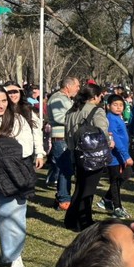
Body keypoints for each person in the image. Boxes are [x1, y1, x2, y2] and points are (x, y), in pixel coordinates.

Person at [0, 82, 41, 267]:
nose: (1, 105)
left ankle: (13, 255)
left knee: (13, 219)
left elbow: (26, 146)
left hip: (13, 177)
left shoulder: (17, 119)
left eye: (4, 100)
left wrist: (3, 152)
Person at [64, 83, 112, 232]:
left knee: (79, 186)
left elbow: (67, 133)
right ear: (95, 97)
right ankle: (84, 221)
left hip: (76, 152)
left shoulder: (72, 111)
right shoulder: (96, 111)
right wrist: (109, 142)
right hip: (92, 154)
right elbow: (102, 133)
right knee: (89, 189)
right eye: (99, 96)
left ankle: (71, 219)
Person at [47, 76, 80, 209]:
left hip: (66, 138)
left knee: (64, 169)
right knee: (65, 169)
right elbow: (59, 117)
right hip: (61, 139)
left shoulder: (65, 99)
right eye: (77, 86)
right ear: (68, 86)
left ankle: (62, 198)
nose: (78, 89)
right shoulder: (57, 99)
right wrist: (77, 118)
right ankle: (64, 200)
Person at [99, 94, 133, 219]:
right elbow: (116, 139)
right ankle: (117, 207)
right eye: (115, 105)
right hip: (115, 155)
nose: (119, 107)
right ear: (108, 106)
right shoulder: (111, 119)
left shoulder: (118, 117)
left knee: (126, 174)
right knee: (115, 181)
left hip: (121, 154)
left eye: (121, 105)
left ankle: (107, 199)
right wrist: (126, 156)